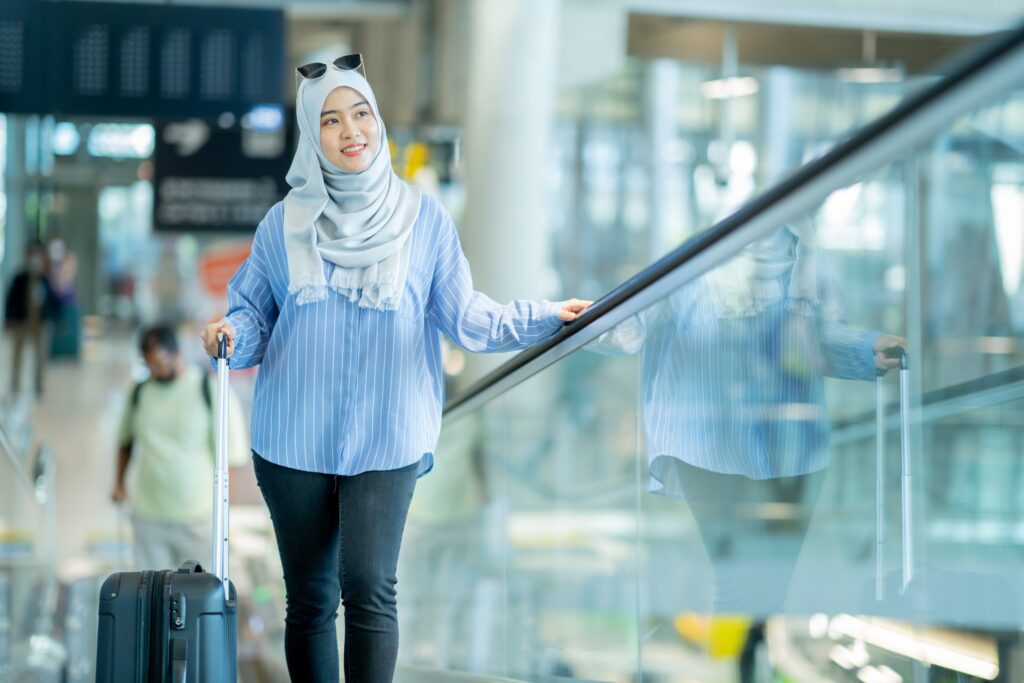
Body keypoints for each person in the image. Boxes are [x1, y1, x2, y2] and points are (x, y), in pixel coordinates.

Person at [200, 54, 591, 683]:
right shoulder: (283, 225)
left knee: (371, 587)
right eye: (330, 120)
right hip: (293, 434)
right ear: (312, 134)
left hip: (389, 434)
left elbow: (468, 318)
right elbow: (253, 318)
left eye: (361, 113)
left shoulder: (427, 221)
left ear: (378, 123)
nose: (350, 130)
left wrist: (550, 317)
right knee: (310, 601)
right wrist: (228, 333)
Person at [593, 219, 904, 682]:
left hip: (790, 443)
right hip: (708, 442)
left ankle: (745, 668)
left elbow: (817, 340)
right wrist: (585, 320)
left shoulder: (804, 259)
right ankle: (732, 669)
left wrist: (866, 348)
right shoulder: (696, 258)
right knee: (737, 579)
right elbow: (631, 325)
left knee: (770, 588)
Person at [111, 324, 250, 570]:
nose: (158, 369)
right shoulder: (140, 392)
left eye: (162, 362)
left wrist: (224, 514)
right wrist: (119, 483)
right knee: (152, 598)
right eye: (151, 364)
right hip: (148, 518)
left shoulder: (210, 391)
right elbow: (126, 440)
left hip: (198, 521)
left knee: (197, 597)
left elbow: (230, 459)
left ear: (177, 353)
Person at [4, 243, 57, 397]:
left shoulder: (44, 280)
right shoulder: (19, 278)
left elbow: (51, 301)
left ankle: (38, 384)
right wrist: (9, 319)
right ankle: (15, 381)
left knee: (40, 356)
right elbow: (11, 300)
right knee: (17, 354)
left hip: (40, 324)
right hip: (21, 322)